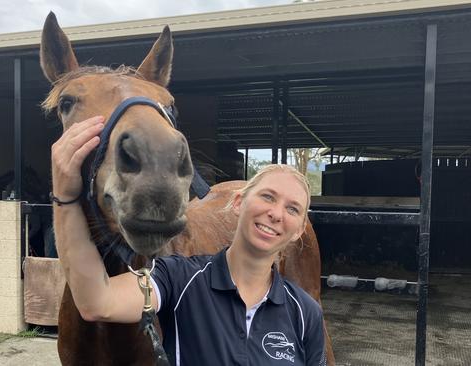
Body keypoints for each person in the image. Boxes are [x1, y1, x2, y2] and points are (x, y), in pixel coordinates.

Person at [52, 115, 327, 366]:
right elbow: (96, 301)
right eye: (267, 196)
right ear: (238, 202)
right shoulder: (179, 278)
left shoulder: (306, 314)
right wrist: (64, 195)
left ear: (300, 229)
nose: (276, 214)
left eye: (292, 209)